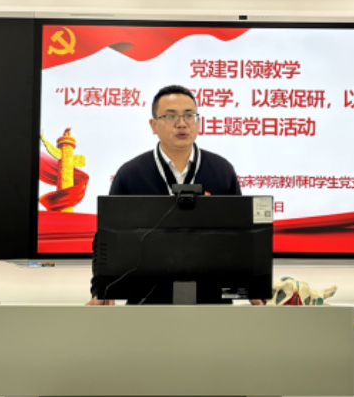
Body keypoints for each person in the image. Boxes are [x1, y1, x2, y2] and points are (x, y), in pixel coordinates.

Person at [87, 84, 255, 305]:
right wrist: (101, 290)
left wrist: (252, 285)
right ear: (153, 125)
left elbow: (241, 235)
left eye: (189, 115)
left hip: (210, 299)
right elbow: (107, 238)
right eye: (171, 116)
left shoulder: (222, 170)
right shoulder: (130, 174)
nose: (182, 123)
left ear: (198, 122)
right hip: (146, 299)